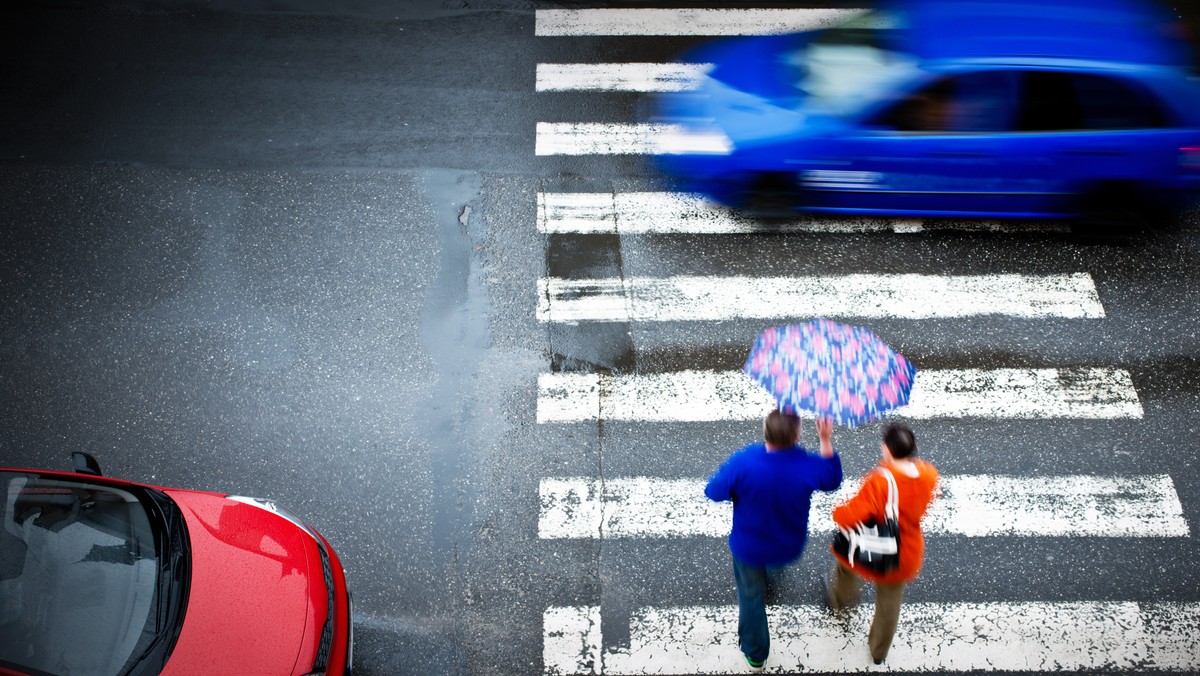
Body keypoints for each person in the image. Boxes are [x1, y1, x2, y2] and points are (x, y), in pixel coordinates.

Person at [705, 410, 842, 672]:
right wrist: (825, 438)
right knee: (772, 566)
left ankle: (756, 655)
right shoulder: (808, 465)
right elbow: (833, 479)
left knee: (750, 596)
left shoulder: (744, 462)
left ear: (764, 431)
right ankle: (772, 575)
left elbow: (713, 491)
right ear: (798, 435)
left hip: (749, 547)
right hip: (787, 546)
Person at [826, 422, 939, 665]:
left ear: (886, 448)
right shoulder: (928, 474)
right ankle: (878, 652)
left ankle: (841, 604)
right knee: (889, 605)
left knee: (846, 563)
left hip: (872, 549)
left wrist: (838, 512)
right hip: (905, 553)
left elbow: (851, 515)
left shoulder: (881, 482)